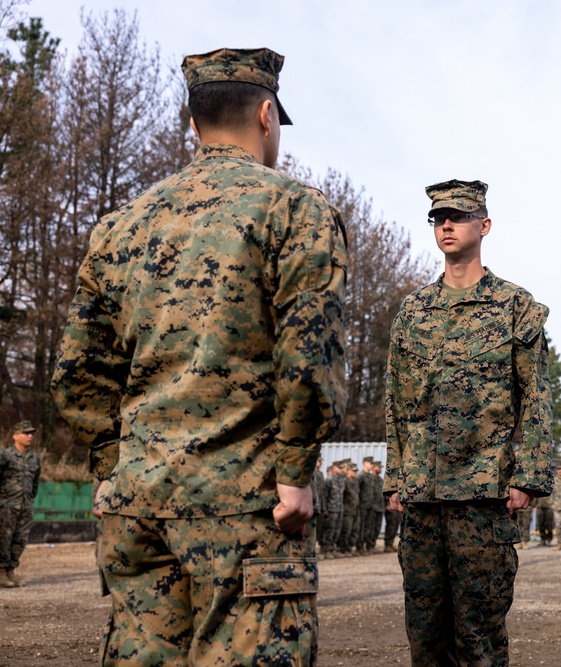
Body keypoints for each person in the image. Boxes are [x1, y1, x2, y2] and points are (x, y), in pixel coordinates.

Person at [50, 47, 347, 664]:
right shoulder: (293, 208)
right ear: (266, 117)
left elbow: (77, 375)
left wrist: (119, 465)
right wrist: (293, 472)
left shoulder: (120, 226)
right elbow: (308, 352)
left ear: (193, 123)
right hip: (246, 505)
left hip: (137, 508)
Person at [384, 178, 553, 667]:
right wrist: (395, 478)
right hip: (422, 500)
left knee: (479, 639)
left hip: (483, 498)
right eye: (438, 218)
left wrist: (527, 477)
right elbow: (395, 404)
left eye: (457, 216)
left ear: (485, 225)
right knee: (425, 637)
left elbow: (537, 398)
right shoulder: (412, 313)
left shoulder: (515, 307)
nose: (446, 226)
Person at [0, 420, 41, 588]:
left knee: (20, 540)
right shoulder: (5, 455)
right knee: (4, 538)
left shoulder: (34, 458)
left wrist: (30, 500)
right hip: (7, 505)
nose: (30, 436)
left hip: (25, 506)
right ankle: (1, 571)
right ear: (15, 436)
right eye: (26, 433)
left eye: (31, 433)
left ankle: (11, 571)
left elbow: (35, 482)